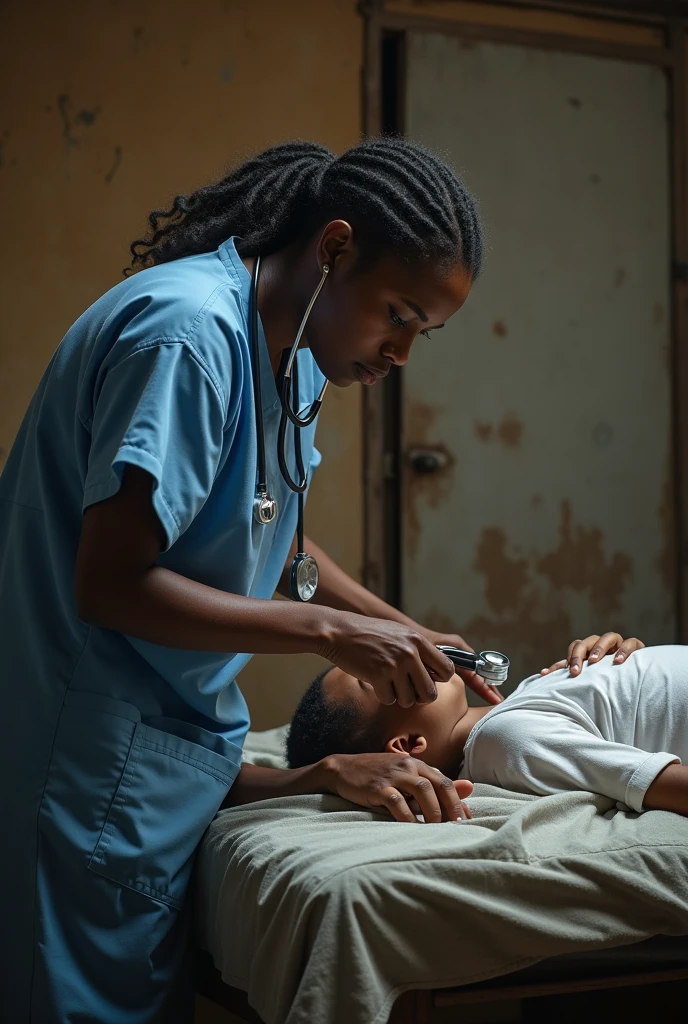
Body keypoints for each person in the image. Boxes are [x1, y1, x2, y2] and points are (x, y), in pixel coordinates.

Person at [0, 137, 508, 1023]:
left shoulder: (295, 353)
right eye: (397, 314)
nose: (401, 353)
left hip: (161, 753)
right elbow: (110, 585)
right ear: (335, 248)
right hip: (84, 756)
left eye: (421, 331)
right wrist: (331, 633)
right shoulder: (187, 338)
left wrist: (402, 626)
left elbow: (273, 534)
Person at [287, 635, 688, 819]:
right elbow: (659, 783)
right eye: (375, 677)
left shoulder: (511, 713)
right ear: (409, 744)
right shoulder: (506, 741)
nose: (398, 656)